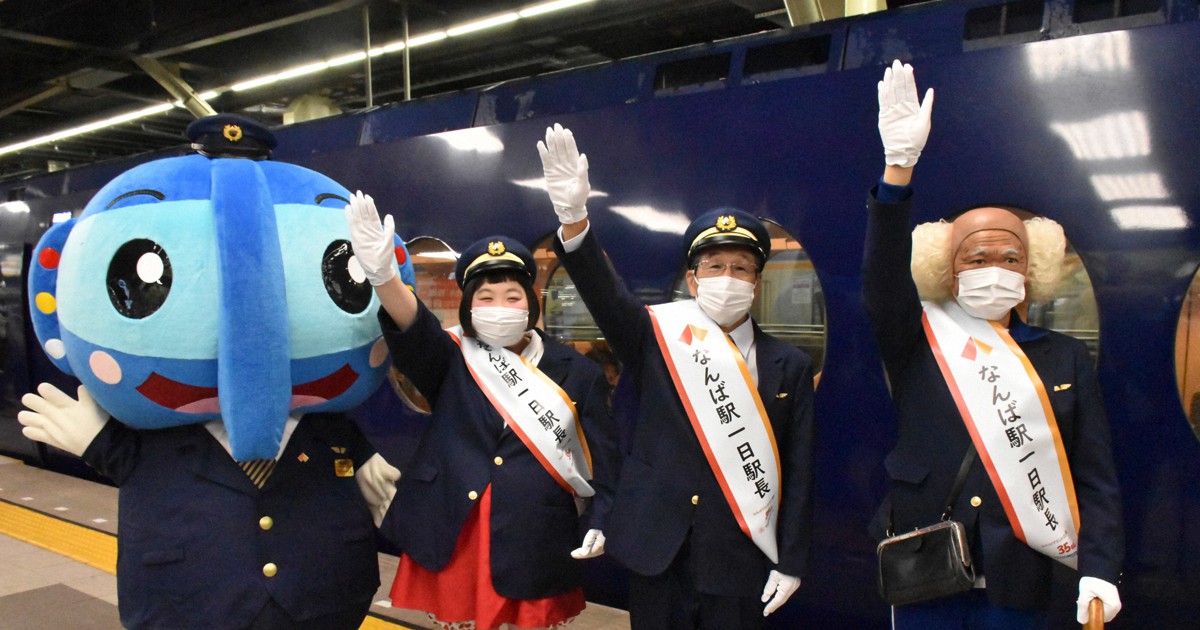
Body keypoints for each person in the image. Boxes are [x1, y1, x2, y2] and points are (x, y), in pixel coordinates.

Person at [863, 60, 1124, 628]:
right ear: (946, 270)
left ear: (1032, 271)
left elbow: (1094, 474)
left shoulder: (1063, 357)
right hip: (923, 563)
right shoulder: (918, 336)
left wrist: (1100, 568)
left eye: (1009, 258)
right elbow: (883, 280)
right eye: (975, 258)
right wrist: (898, 170)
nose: (994, 269)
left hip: (1021, 574)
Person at [538, 124, 816, 629]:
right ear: (692, 279)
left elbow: (798, 471)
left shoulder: (789, 365)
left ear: (757, 281)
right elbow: (606, 296)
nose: (727, 279)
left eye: (741, 268)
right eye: (714, 266)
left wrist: (791, 560)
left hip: (739, 556)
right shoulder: (655, 335)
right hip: (656, 549)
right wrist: (575, 221)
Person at [344, 194, 620, 630]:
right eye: (486, 297)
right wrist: (385, 279)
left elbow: (606, 457)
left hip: (536, 537)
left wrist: (604, 518)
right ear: (469, 307)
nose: (500, 307)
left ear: (532, 303)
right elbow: (415, 328)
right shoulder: (451, 356)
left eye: (512, 296)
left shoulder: (578, 372)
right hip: (455, 529)